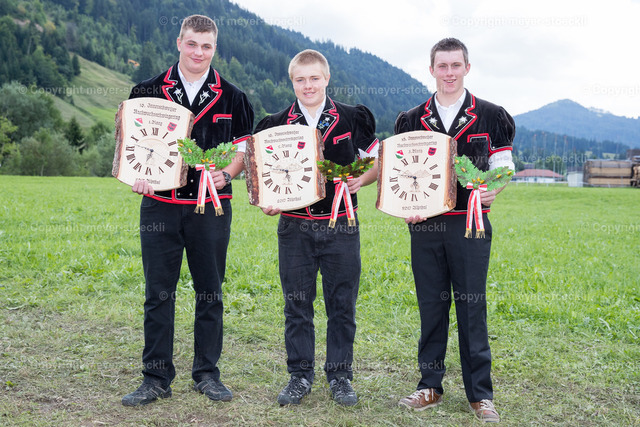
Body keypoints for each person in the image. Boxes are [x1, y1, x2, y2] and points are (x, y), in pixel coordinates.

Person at [121, 14, 254, 406]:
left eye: (206, 46)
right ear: (179, 43)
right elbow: (132, 145)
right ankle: (155, 377)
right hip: (159, 206)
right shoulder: (147, 90)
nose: (199, 52)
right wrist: (137, 175)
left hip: (211, 208)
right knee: (157, 293)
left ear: (215, 48)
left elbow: (244, 151)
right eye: (192, 43)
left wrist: (227, 175)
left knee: (210, 292)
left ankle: (207, 374)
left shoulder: (234, 97)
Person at [395, 38, 515, 423]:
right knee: (431, 305)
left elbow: (503, 166)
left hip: (470, 223)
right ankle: (429, 385)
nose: (449, 73)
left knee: (471, 305)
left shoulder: (491, 115)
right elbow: (399, 171)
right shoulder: (412, 119)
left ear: (467, 68)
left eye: (455, 65)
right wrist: (405, 208)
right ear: (431, 69)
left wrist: (494, 188)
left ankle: (480, 394)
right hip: (425, 225)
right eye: (442, 66)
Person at [253, 49, 379, 406]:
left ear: (326, 79)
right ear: (292, 82)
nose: (307, 85)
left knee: (342, 304)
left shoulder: (353, 117)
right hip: (295, 226)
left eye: (314, 78)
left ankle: (340, 376)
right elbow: (261, 174)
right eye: (300, 79)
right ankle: (299, 375)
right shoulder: (275, 124)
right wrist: (266, 201)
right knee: (297, 304)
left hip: (342, 225)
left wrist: (361, 180)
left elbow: (376, 159)